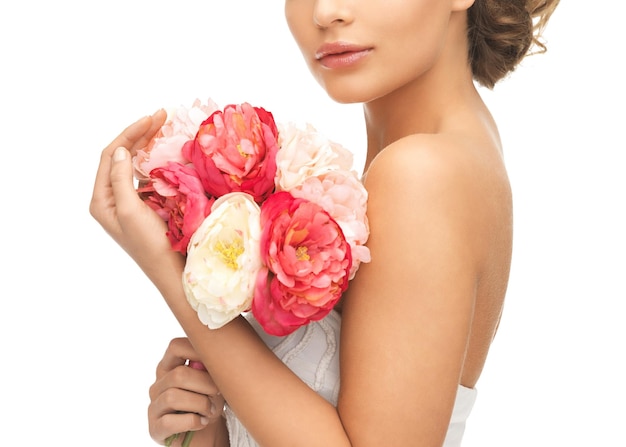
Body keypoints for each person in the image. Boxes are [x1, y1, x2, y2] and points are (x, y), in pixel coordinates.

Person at [90, 0, 559, 445]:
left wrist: (167, 271)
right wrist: (213, 430)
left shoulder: (423, 173)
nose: (325, 12)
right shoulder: (428, 157)